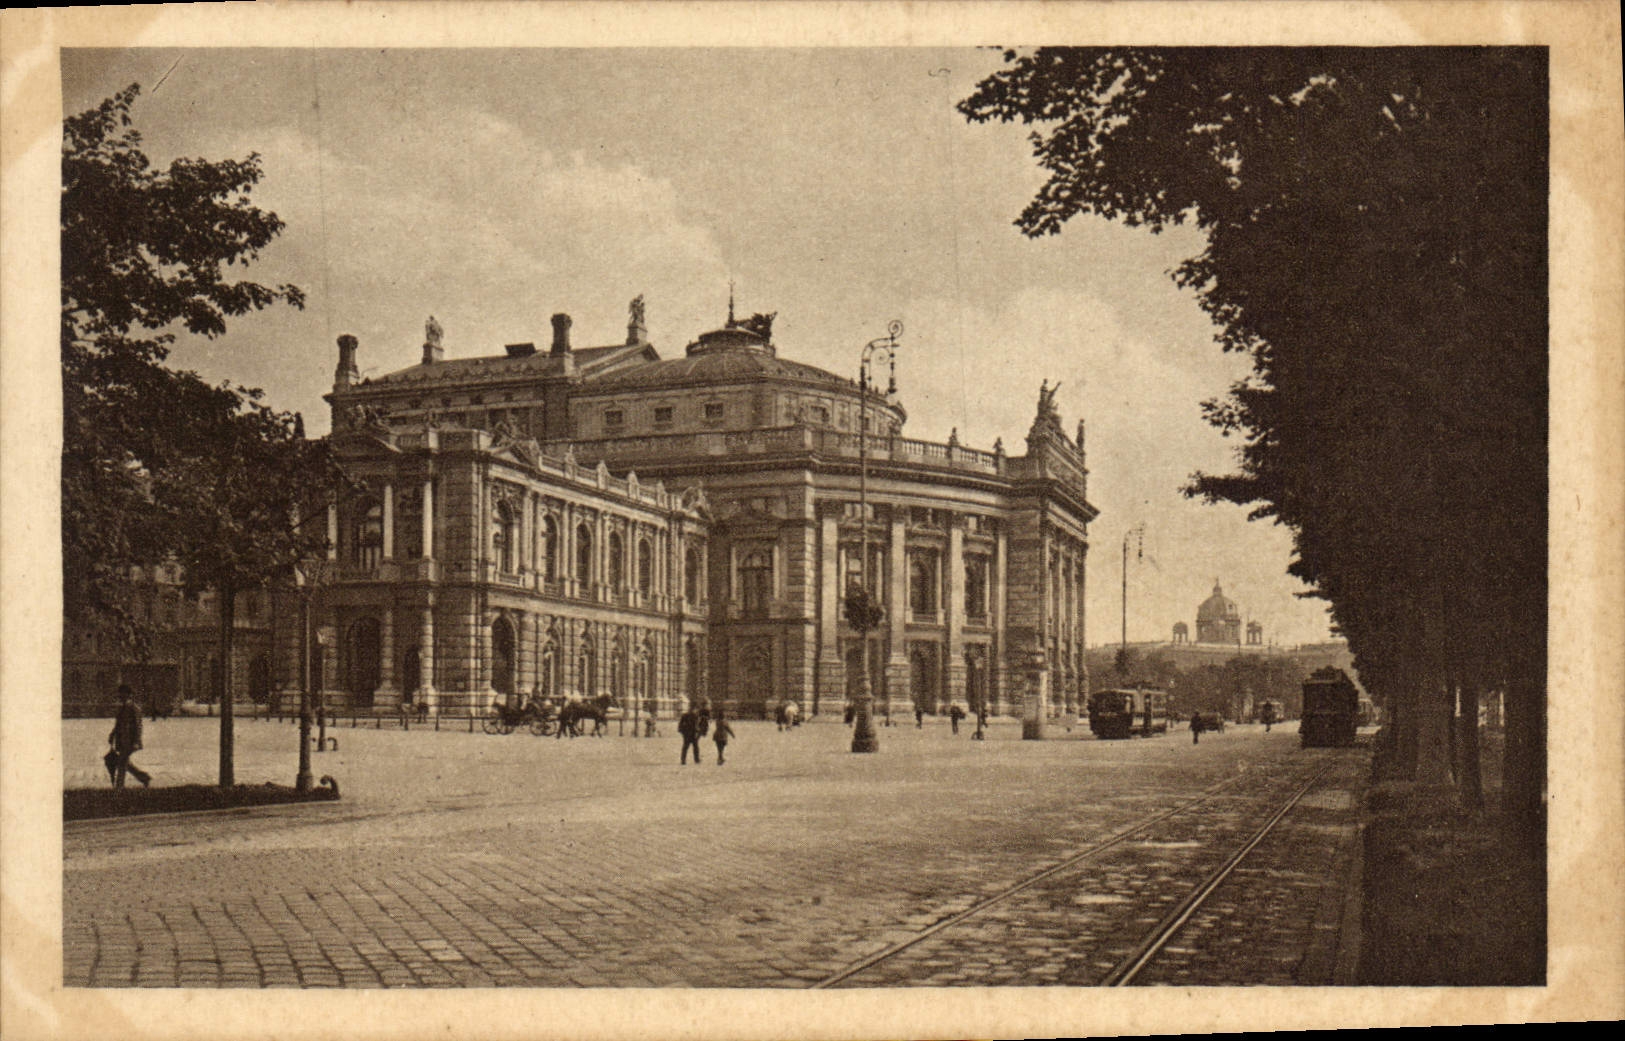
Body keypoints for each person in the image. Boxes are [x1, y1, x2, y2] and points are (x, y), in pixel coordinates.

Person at [108, 685, 151, 788]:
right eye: (120, 693)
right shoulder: (122, 707)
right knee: (124, 762)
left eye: (123, 693)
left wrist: (136, 741)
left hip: (130, 741)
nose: (120, 695)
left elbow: (138, 726)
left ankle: (119, 788)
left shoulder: (134, 708)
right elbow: (118, 724)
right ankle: (144, 777)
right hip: (122, 740)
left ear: (129, 695)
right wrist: (112, 735)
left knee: (122, 762)